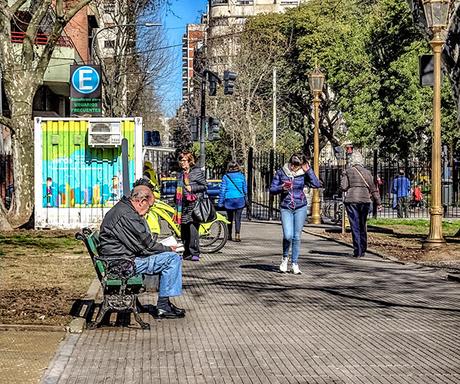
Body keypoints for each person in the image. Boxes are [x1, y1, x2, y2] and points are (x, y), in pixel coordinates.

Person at [98, 181, 185, 319]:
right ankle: (163, 306)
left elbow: (142, 244)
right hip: (122, 264)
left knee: (169, 255)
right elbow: (146, 246)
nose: (148, 210)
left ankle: (165, 303)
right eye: (149, 207)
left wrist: (163, 248)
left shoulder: (123, 209)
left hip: (119, 260)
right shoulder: (128, 215)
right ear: (142, 201)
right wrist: (169, 249)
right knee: (172, 258)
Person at [269, 153, 321, 274]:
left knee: (296, 236)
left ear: (302, 165)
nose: (293, 167)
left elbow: (316, 184)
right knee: (287, 235)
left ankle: (294, 263)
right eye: (292, 164)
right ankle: (284, 258)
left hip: (300, 206)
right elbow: (272, 188)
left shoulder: (303, 173)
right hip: (286, 207)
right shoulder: (282, 171)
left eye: (297, 165)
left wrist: (309, 171)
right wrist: (281, 188)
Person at [341, 151, 382, 258]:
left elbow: (344, 187)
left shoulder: (348, 171)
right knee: (362, 224)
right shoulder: (367, 172)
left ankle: (357, 250)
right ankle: (363, 249)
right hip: (365, 200)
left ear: (352, 161)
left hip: (352, 200)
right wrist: (378, 202)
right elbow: (373, 188)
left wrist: (344, 176)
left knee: (354, 225)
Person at [174, 151, 207, 261]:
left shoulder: (196, 172)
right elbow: (178, 189)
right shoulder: (180, 173)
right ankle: (186, 252)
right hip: (182, 206)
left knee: (193, 230)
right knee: (184, 231)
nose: (182, 162)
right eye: (181, 160)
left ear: (189, 161)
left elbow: (204, 186)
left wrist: (192, 188)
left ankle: (195, 253)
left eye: (184, 160)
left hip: (194, 205)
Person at [218, 161, 248, 242]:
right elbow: (245, 189)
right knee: (238, 218)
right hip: (240, 199)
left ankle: (229, 235)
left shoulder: (225, 177)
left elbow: (223, 190)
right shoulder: (241, 176)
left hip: (229, 199)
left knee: (229, 218)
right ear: (238, 167)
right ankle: (237, 235)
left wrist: (220, 202)